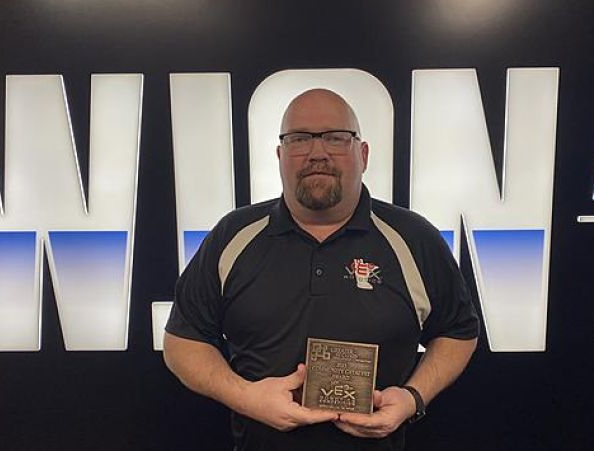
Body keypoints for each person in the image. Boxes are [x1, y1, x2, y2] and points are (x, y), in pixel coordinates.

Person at [163, 88, 479, 450]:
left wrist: (412, 398)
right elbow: (182, 341)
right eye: (299, 139)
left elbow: (458, 331)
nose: (317, 152)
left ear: (362, 154)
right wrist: (246, 397)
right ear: (281, 155)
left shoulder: (413, 238)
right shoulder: (233, 236)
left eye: (335, 138)